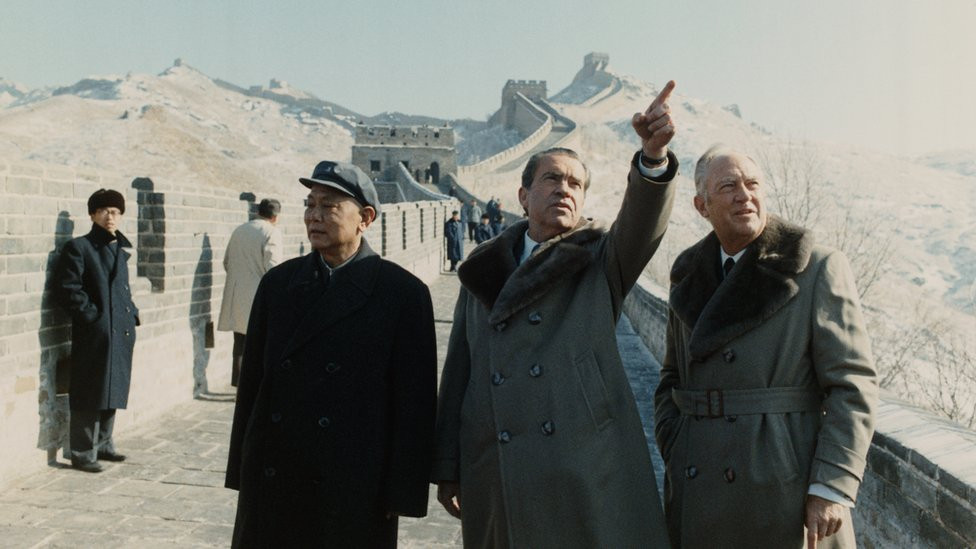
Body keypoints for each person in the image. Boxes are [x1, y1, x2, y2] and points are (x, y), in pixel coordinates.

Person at [433, 81, 679, 548]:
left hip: (581, 459)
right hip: (498, 460)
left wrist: (651, 159)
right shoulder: (481, 268)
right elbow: (460, 368)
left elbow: (642, 224)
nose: (564, 189)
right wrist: (449, 464)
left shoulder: (602, 260)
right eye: (552, 179)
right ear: (523, 196)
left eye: (576, 184)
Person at [654, 145, 878, 548]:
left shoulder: (815, 268)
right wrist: (675, 439)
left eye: (752, 183)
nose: (744, 195)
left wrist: (830, 486)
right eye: (728, 186)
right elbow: (672, 376)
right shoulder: (686, 275)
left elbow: (852, 386)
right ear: (701, 205)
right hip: (698, 483)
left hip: (784, 487)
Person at [225, 161, 437, 548]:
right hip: (276, 478)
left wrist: (402, 492)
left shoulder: (402, 294)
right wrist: (243, 469)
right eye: (310, 204)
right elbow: (254, 387)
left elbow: (416, 404)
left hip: (354, 485)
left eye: (329, 206)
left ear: (365, 218)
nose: (314, 216)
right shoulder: (278, 285)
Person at [54, 189, 140, 473]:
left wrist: (132, 314)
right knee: (90, 390)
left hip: (120, 330)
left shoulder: (119, 247)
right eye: (104, 211)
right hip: (97, 332)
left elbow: (122, 289)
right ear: (92, 214)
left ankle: (103, 443)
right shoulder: (80, 247)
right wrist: (94, 319)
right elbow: (69, 290)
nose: (110, 216)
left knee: (112, 387)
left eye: (115, 212)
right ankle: (81, 451)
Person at [217, 198, 283, 388]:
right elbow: (273, 269)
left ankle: (238, 385)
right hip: (259, 297)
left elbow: (227, 262)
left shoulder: (240, 230)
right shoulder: (271, 233)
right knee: (260, 344)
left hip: (237, 295)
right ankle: (254, 385)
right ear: (275, 216)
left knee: (240, 342)